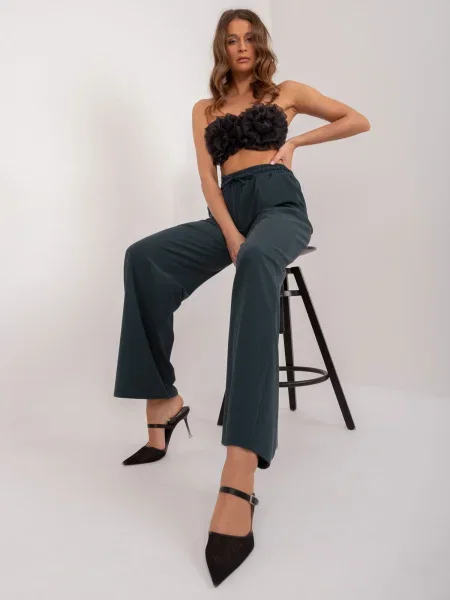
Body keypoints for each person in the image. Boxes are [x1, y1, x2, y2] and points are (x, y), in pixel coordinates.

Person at [113, 8, 370, 587]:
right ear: (222, 49)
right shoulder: (204, 109)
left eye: (250, 37)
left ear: (260, 44)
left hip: (280, 207)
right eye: (231, 40)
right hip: (229, 211)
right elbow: (209, 180)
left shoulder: (287, 92)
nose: (242, 46)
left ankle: (241, 468)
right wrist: (229, 232)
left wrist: (296, 142)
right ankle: (163, 400)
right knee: (143, 257)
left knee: (256, 259)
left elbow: (357, 119)